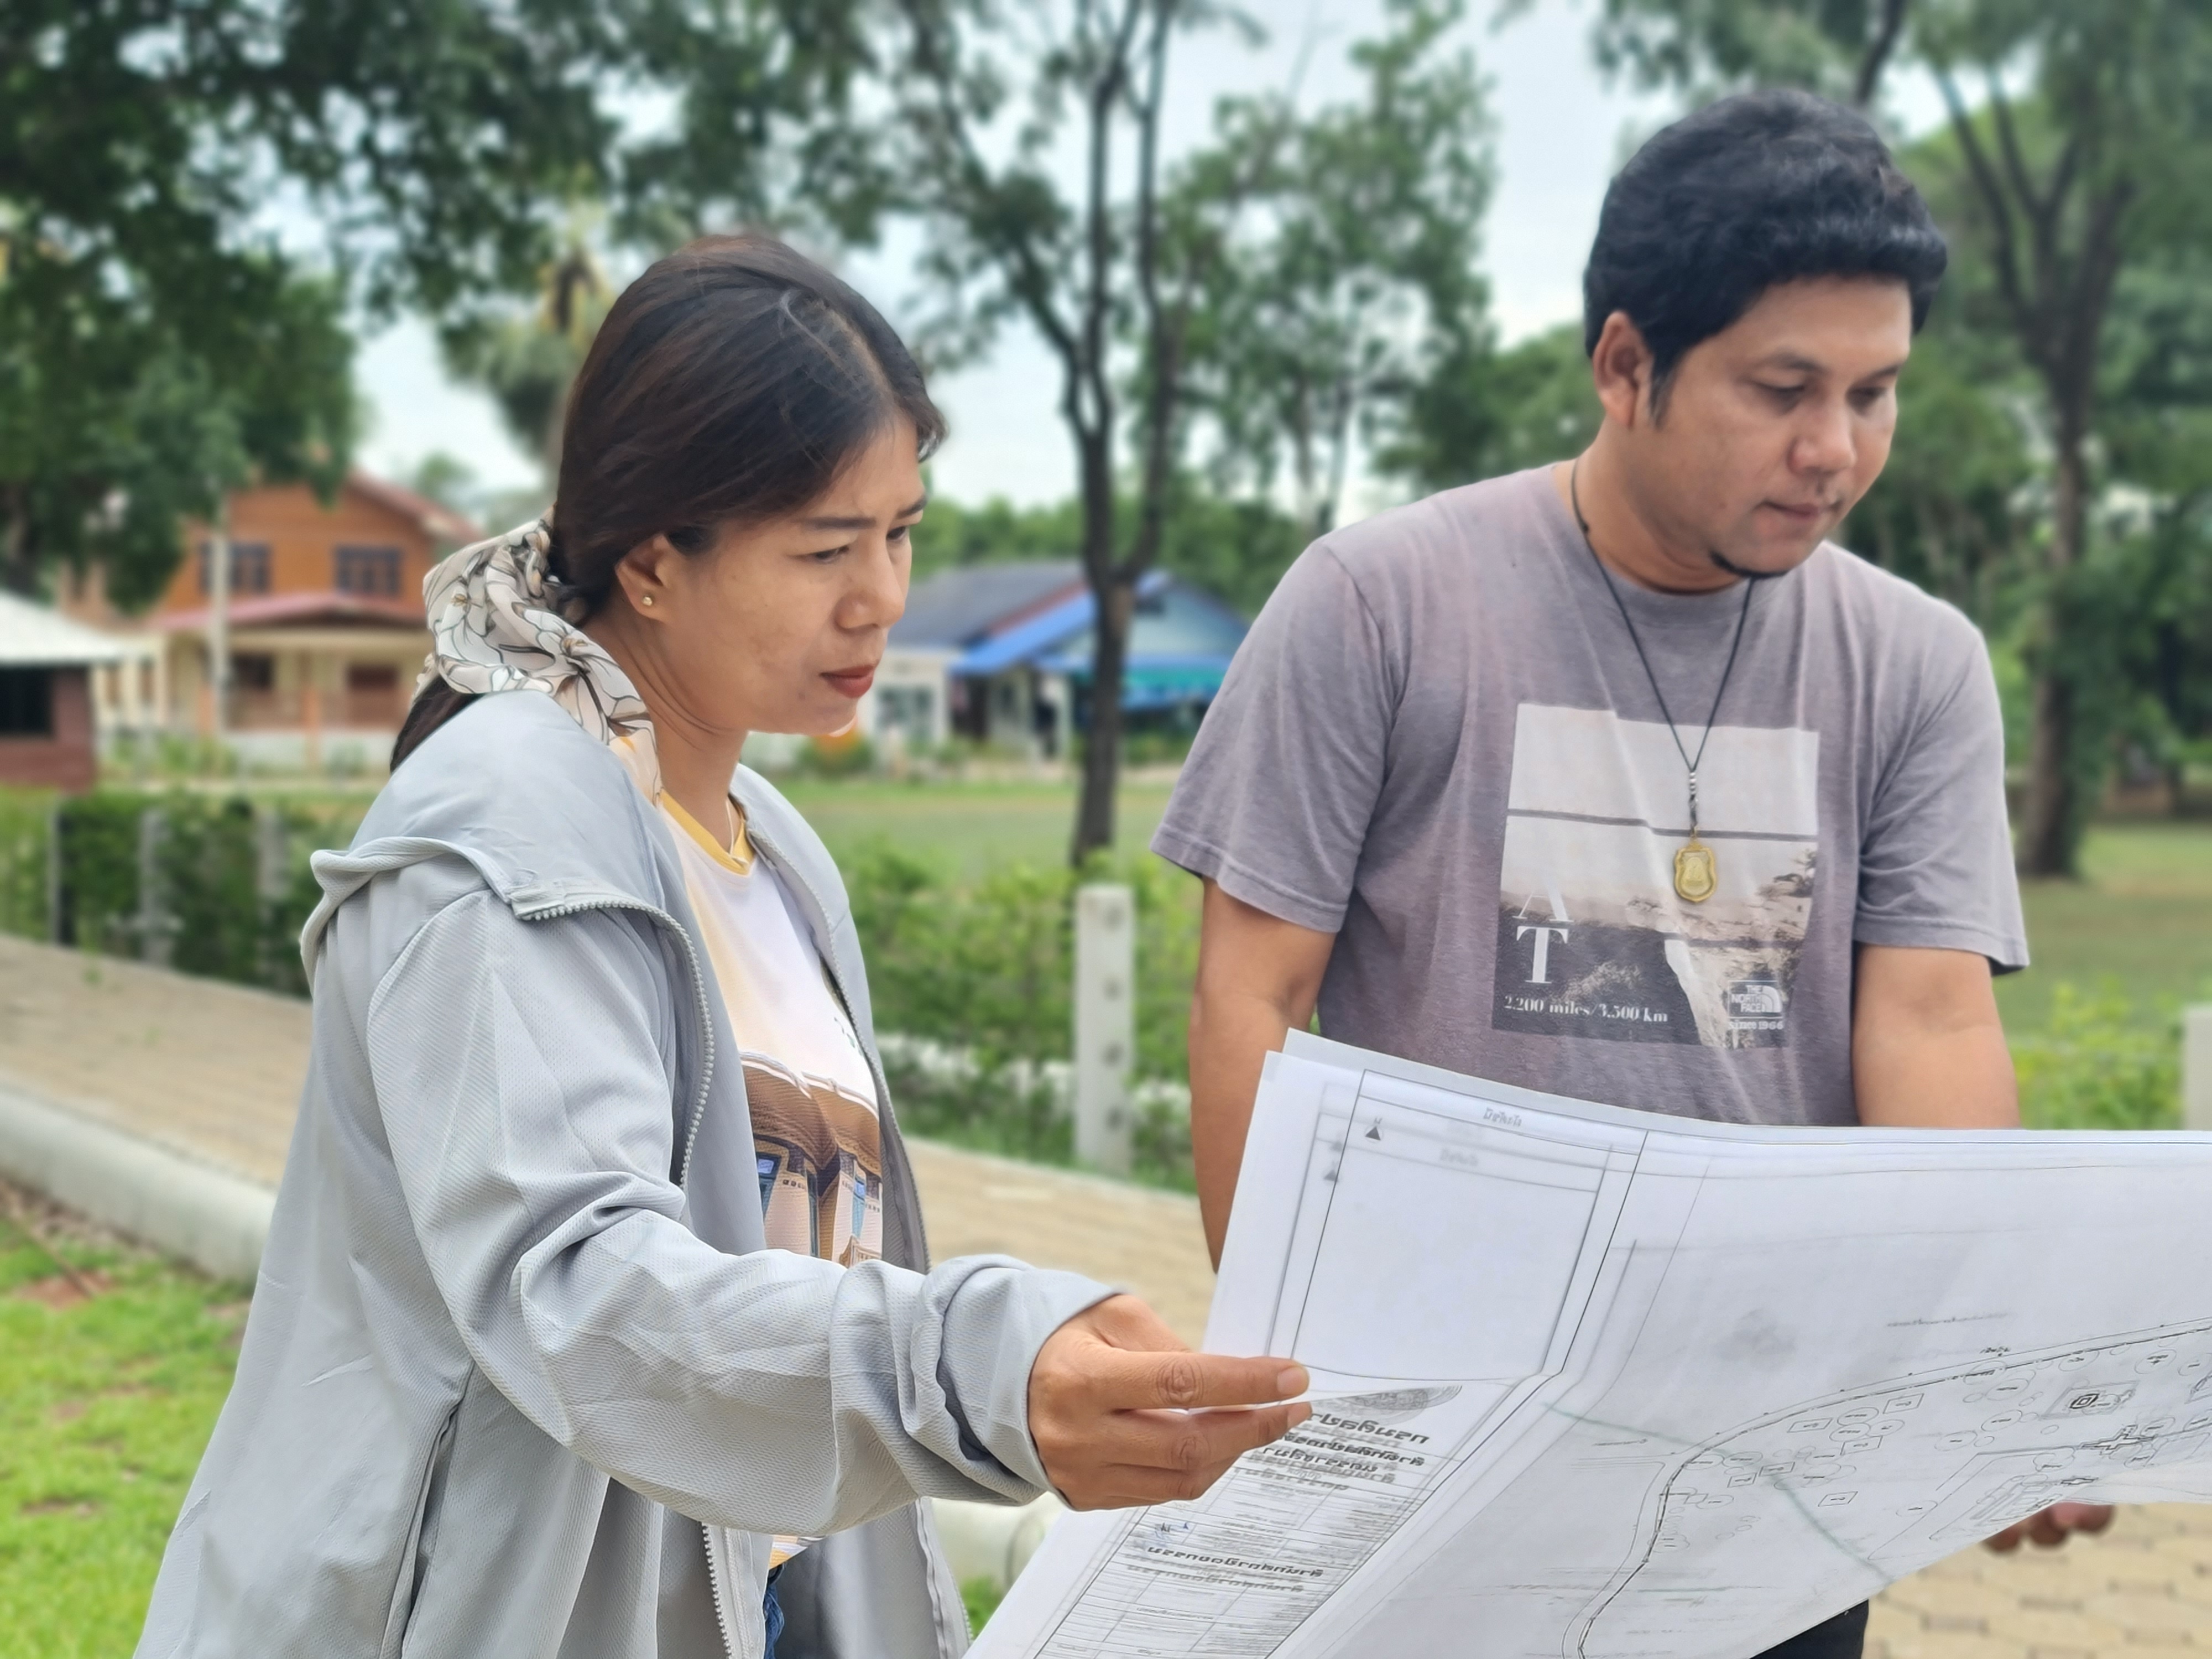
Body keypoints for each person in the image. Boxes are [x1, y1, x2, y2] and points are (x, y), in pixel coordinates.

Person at [135, 236, 1309, 1659]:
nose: (880, 596)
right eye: (824, 549)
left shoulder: (779, 853)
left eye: (901, 533)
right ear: (650, 562)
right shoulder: (499, 836)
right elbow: (582, 1290)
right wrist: (973, 1369)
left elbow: (804, 1273)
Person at [1152, 90, 2108, 1659]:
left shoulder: (1916, 664)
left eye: (1874, 394)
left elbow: (1931, 1023)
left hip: (1774, 1463)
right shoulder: (1380, 605)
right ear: (1623, 365)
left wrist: (1986, 1375)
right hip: (1451, 1423)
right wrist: (1302, 1378)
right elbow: (1249, 1001)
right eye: (1781, 389)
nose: (1834, 450)